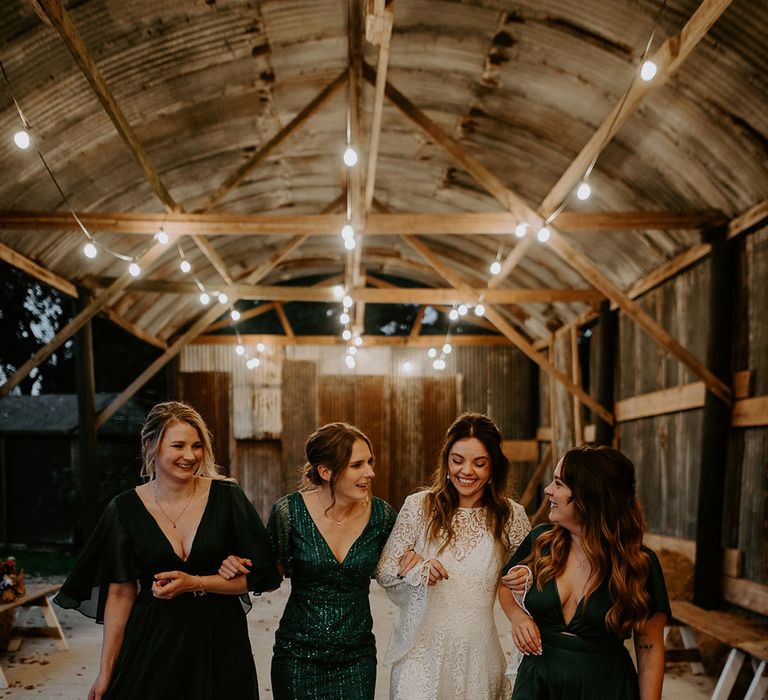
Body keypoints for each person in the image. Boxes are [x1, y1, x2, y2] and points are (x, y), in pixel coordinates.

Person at [53, 401, 281, 700]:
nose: (190, 456)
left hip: (221, 643)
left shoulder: (228, 499)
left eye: (197, 446)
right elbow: (121, 594)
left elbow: (263, 576)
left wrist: (200, 582)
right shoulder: (123, 509)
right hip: (153, 642)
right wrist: (105, 672)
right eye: (178, 445)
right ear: (151, 445)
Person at [219, 422, 397, 700]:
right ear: (326, 471)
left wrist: (418, 562)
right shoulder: (289, 512)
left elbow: (397, 570)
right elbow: (265, 574)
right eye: (357, 465)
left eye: (369, 462)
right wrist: (232, 563)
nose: (370, 472)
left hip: (357, 660)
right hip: (297, 657)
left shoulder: (382, 516)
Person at [374, 412, 531, 700]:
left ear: (493, 465)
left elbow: (532, 582)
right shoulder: (419, 506)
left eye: (479, 463)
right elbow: (384, 571)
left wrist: (525, 579)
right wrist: (417, 571)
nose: (466, 471)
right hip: (420, 657)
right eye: (458, 460)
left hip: (478, 656)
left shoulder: (511, 516)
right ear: (446, 460)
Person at [499, 445, 670, 700]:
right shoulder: (540, 542)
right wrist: (518, 618)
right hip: (537, 685)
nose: (548, 490)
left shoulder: (639, 564)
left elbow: (650, 647)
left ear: (589, 497)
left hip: (605, 688)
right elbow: (504, 586)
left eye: (558, 483)